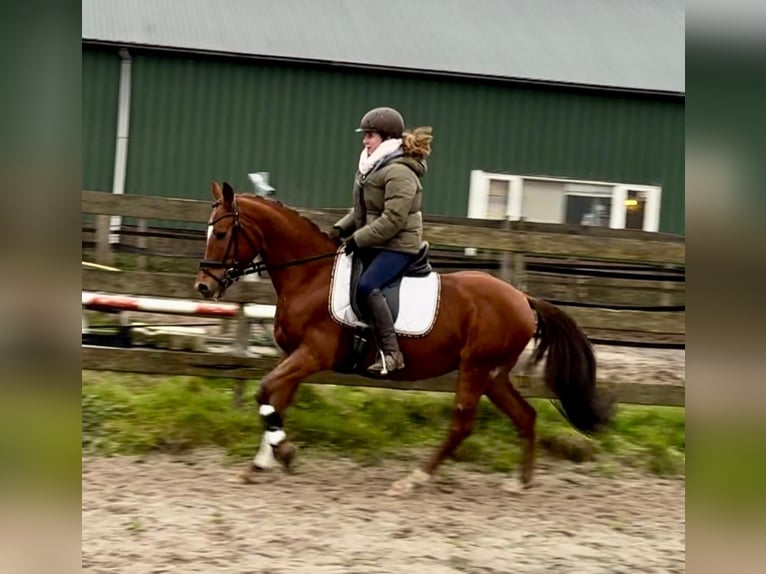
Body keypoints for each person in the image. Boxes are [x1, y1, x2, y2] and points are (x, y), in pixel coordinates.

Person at [329, 106, 433, 373]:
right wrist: (340, 229)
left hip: (399, 246)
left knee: (366, 286)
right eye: (365, 135)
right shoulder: (371, 167)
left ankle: (392, 353)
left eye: (370, 135)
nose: (365, 141)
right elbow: (362, 210)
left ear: (387, 138)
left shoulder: (400, 172)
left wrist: (357, 239)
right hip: (377, 241)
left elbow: (393, 219)